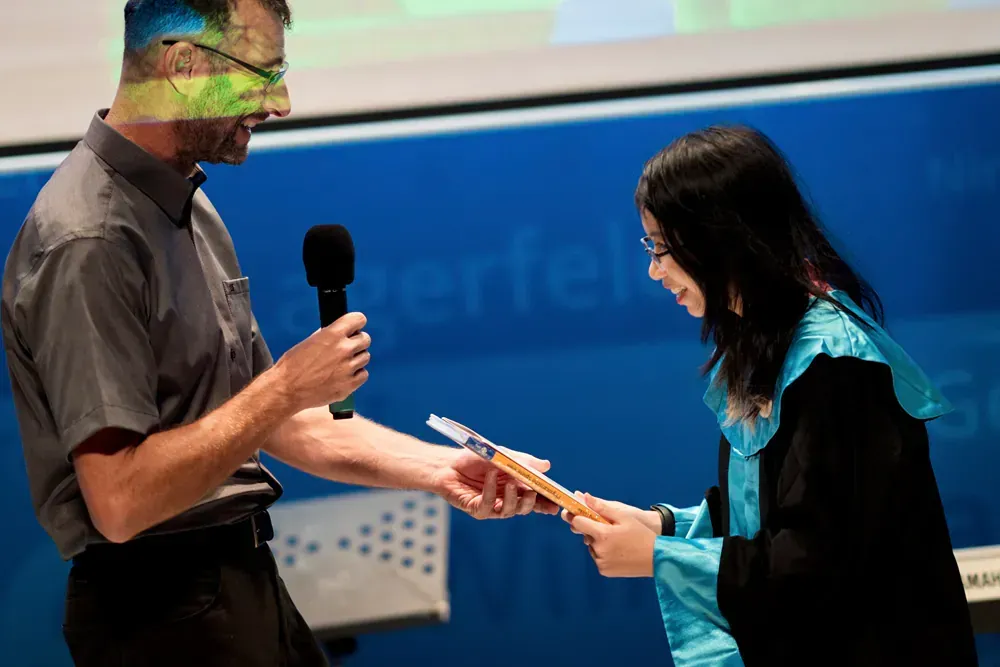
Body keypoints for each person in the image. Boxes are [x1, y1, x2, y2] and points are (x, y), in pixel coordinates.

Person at [0, 1, 556, 665]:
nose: (281, 102)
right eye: (259, 75)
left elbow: (273, 422)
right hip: (160, 613)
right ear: (182, 64)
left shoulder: (183, 201)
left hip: (237, 584)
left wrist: (442, 468)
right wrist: (287, 383)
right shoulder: (88, 239)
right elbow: (119, 501)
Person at [561, 125, 978, 666]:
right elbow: (770, 513)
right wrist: (662, 528)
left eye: (663, 248)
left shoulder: (835, 365)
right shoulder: (765, 345)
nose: (654, 270)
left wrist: (664, 559)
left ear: (721, 237)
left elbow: (819, 561)